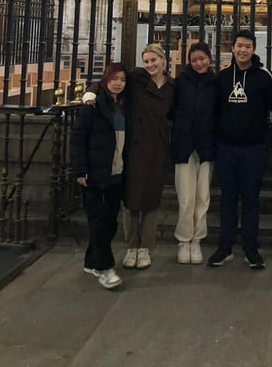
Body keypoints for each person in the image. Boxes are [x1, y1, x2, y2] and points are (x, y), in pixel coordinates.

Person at [208, 29, 272, 269]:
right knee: (227, 198)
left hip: (254, 148)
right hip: (226, 147)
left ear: (254, 49)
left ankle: (251, 246)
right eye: (239, 45)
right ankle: (225, 245)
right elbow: (215, 110)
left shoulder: (263, 77)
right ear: (233, 47)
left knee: (251, 199)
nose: (243, 50)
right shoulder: (223, 76)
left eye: (247, 46)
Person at [71, 63, 127, 290]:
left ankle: (91, 261)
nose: (118, 83)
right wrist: (80, 169)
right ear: (105, 79)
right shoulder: (92, 105)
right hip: (94, 171)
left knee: (111, 221)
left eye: (122, 79)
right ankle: (105, 268)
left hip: (116, 171)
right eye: (114, 78)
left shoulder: (122, 104)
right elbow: (78, 138)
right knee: (98, 220)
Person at [121, 43, 174, 270]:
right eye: (147, 61)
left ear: (163, 60)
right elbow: (111, 79)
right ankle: (131, 245)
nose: (150, 64)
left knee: (152, 199)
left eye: (154, 60)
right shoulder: (135, 79)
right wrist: (91, 92)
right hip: (135, 145)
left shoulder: (173, 86)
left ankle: (146, 248)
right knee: (131, 199)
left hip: (158, 146)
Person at [170, 41, 217, 265]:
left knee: (203, 197)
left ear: (210, 58)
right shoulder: (180, 82)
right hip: (184, 144)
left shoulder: (216, 83)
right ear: (189, 61)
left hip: (207, 145)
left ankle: (197, 239)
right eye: (195, 59)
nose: (199, 63)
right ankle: (183, 239)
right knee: (186, 197)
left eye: (203, 58)